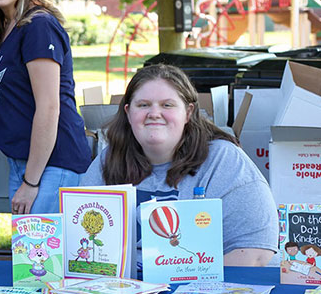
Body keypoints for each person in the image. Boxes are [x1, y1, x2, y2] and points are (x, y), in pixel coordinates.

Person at [79, 63, 277, 266]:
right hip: (123, 291)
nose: (154, 113)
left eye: (167, 105)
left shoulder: (223, 160)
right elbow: (79, 236)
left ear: (188, 112)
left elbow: (256, 252)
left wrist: (192, 286)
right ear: (129, 113)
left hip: (198, 291)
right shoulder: (109, 159)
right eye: (144, 105)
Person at [0, 0, 90, 214]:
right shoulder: (9, 28)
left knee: (42, 257)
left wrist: (31, 180)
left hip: (51, 165)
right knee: (30, 256)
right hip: (28, 163)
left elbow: (49, 107)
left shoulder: (38, 26)